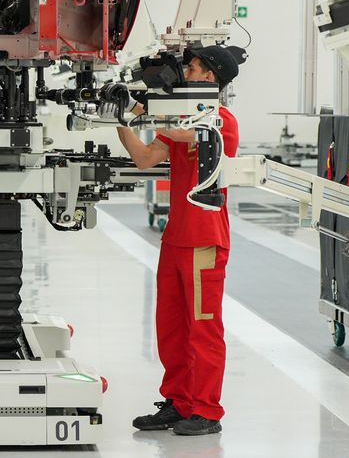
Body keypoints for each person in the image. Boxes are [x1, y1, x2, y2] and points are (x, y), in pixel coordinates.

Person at [116, 45, 245, 437]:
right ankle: (178, 402)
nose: (185, 70)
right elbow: (144, 158)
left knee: (202, 328)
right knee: (171, 327)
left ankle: (207, 410)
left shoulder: (222, 120)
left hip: (205, 241)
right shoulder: (180, 120)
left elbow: (188, 134)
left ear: (209, 76)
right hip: (175, 240)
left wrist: (141, 111)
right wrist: (118, 118)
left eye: (190, 66)